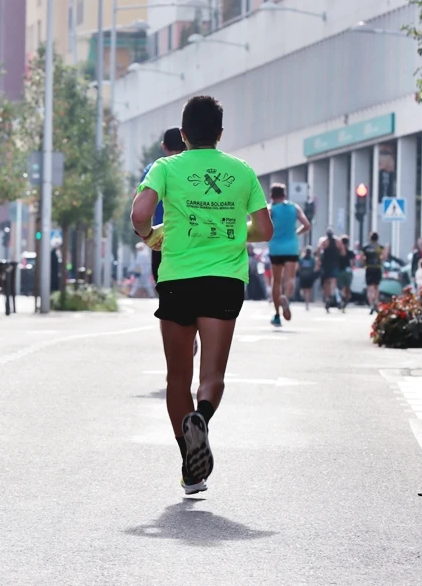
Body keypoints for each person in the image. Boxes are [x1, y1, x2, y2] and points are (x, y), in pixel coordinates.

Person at [131, 95, 273, 495]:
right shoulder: (241, 171)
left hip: (177, 278)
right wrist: (227, 230)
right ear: (220, 133)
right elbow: (264, 230)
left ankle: (189, 463)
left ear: (183, 134)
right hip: (224, 279)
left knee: (178, 377)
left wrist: (150, 238)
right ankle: (203, 419)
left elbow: (140, 215)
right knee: (212, 376)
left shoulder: (165, 167)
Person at [140, 127, 198, 354]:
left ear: (163, 146)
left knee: (165, 287)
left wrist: (144, 233)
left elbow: (141, 205)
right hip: (193, 236)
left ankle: (181, 330)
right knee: (195, 283)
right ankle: (192, 328)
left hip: (162, 239)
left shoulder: (155, 169)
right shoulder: (193, 167)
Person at [267, 183, 311, 326]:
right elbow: (307, 225)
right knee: (290, 278)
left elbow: (263, 224)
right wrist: (296, 233)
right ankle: (286, 297)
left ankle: (277, 314)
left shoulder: (271, 209)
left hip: (275, 247)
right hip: (291, 247)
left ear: (272, 196)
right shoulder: (294, 207)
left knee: (276, 280)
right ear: (284, 195)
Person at [316, 228, 345, 312]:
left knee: (325, 282)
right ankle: (332, 294)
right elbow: (343, 252)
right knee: (333, 280)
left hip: (325, 263)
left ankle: (327, 297)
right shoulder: (338, 241)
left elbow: (318, 251)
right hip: (334, 263)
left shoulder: (323, 241)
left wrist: (318, 261)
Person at [362, 232, 386, 314]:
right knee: (376, 287)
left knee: (369, 288)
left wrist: (365, 263)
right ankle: (376, 301)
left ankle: (371, 304)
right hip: (377, 268)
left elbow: (361, 258)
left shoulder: (365, 247)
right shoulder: (380, 247)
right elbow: (383, 257)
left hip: (369, 268)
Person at [337, 235, 356, 311]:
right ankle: (345, 299)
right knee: (347, 287)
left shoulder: (338, 251)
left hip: (339, 271)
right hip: (347, 271)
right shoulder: (350, 252)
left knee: (339, 287)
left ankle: (341, 298)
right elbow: (353, 263)